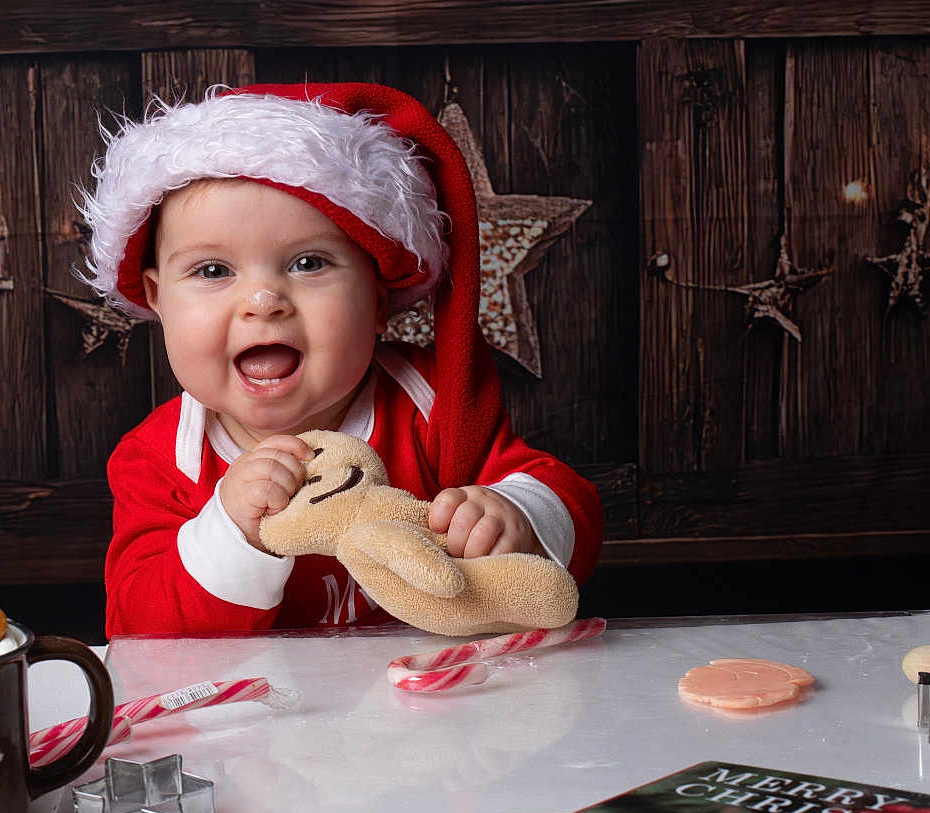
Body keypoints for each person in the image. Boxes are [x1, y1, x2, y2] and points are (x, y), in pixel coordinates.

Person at [80, 82, 602, 636]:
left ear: (377, 302)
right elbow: (136, 627)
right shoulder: (160, 459)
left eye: (308, 263)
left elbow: (568, 500)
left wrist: (514, 516)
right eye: (213, 271)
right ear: (158, 300)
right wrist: (231, 530)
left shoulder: (431, 403)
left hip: (431, 701)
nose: (263, 302)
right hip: (263, 711)